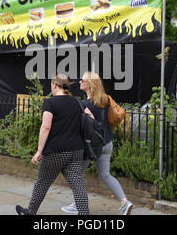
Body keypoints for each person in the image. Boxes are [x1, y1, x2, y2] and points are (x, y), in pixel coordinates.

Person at [16, 74, 90, 215]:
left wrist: (39, 151)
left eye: (51, 84)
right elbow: (91, 117)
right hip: (76, 150)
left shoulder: (50, 103)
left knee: (43, 182)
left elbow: (45, 127)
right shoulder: (77, 102)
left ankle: (30, 212)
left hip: (55, 151)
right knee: (78, 184)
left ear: (55, 85)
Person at [61, 71, 133, 215]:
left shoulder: (87, 104)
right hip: (106, 143)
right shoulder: (105, 100)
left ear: (90, 84)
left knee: (76, 174)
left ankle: (79, 205)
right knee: (105, 174)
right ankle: (125, 202)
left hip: (92, 146)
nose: (80, 82)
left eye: (82, 80)